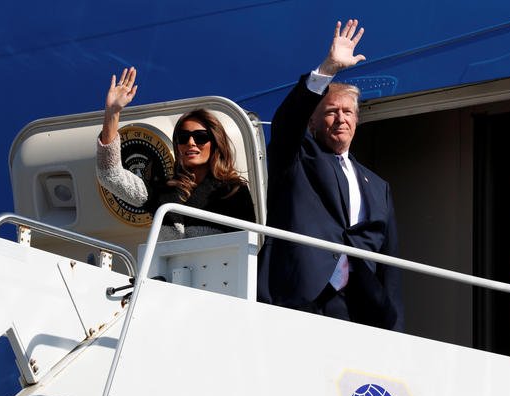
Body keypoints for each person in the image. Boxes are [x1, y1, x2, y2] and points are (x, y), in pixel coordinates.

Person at [257, 19, 403, 331]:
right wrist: (328, 69)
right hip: (299, 298)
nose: (340, 119)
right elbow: (286, 124)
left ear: (357, 120)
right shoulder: (297, 157)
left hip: (360, 305)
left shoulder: (378, 187)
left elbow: (390, 263)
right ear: (312, 123)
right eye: (330, 111)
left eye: (347, 112)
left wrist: (395, 329)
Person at [96, 67, 256, 240]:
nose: (191, 143)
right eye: (183, 137)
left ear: (216, 144)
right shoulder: (164, 190)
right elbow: (110, 175)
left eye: (200, 137)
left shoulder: (233, 191)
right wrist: (112, 113)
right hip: (166, 267)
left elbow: (249, 248)